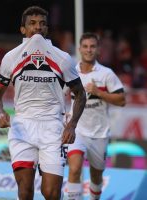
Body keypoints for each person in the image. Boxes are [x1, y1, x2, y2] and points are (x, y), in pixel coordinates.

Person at [0, 6, 86, 200]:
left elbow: (80, 93)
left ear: (47, 29)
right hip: (22, 127)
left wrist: (72, 124)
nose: (37, 28)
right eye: (32, 24)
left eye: (42, 24)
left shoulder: (62, 58)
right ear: (23, 30)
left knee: (50, 193)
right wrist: (0, 113)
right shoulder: (11, 57)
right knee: (24, 192)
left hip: (52, 128)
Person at [66, 32, 126, 200]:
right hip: (77, 131)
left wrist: (99, 92)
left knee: (96, 177)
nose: (88, 50)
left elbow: (121, 100)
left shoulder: (106, 74)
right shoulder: (71, 72)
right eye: (85, 46)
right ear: (79, 49)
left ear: (98, 50)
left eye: (92, 46)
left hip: (99, 133)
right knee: (75, 168)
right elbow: (59, 94)